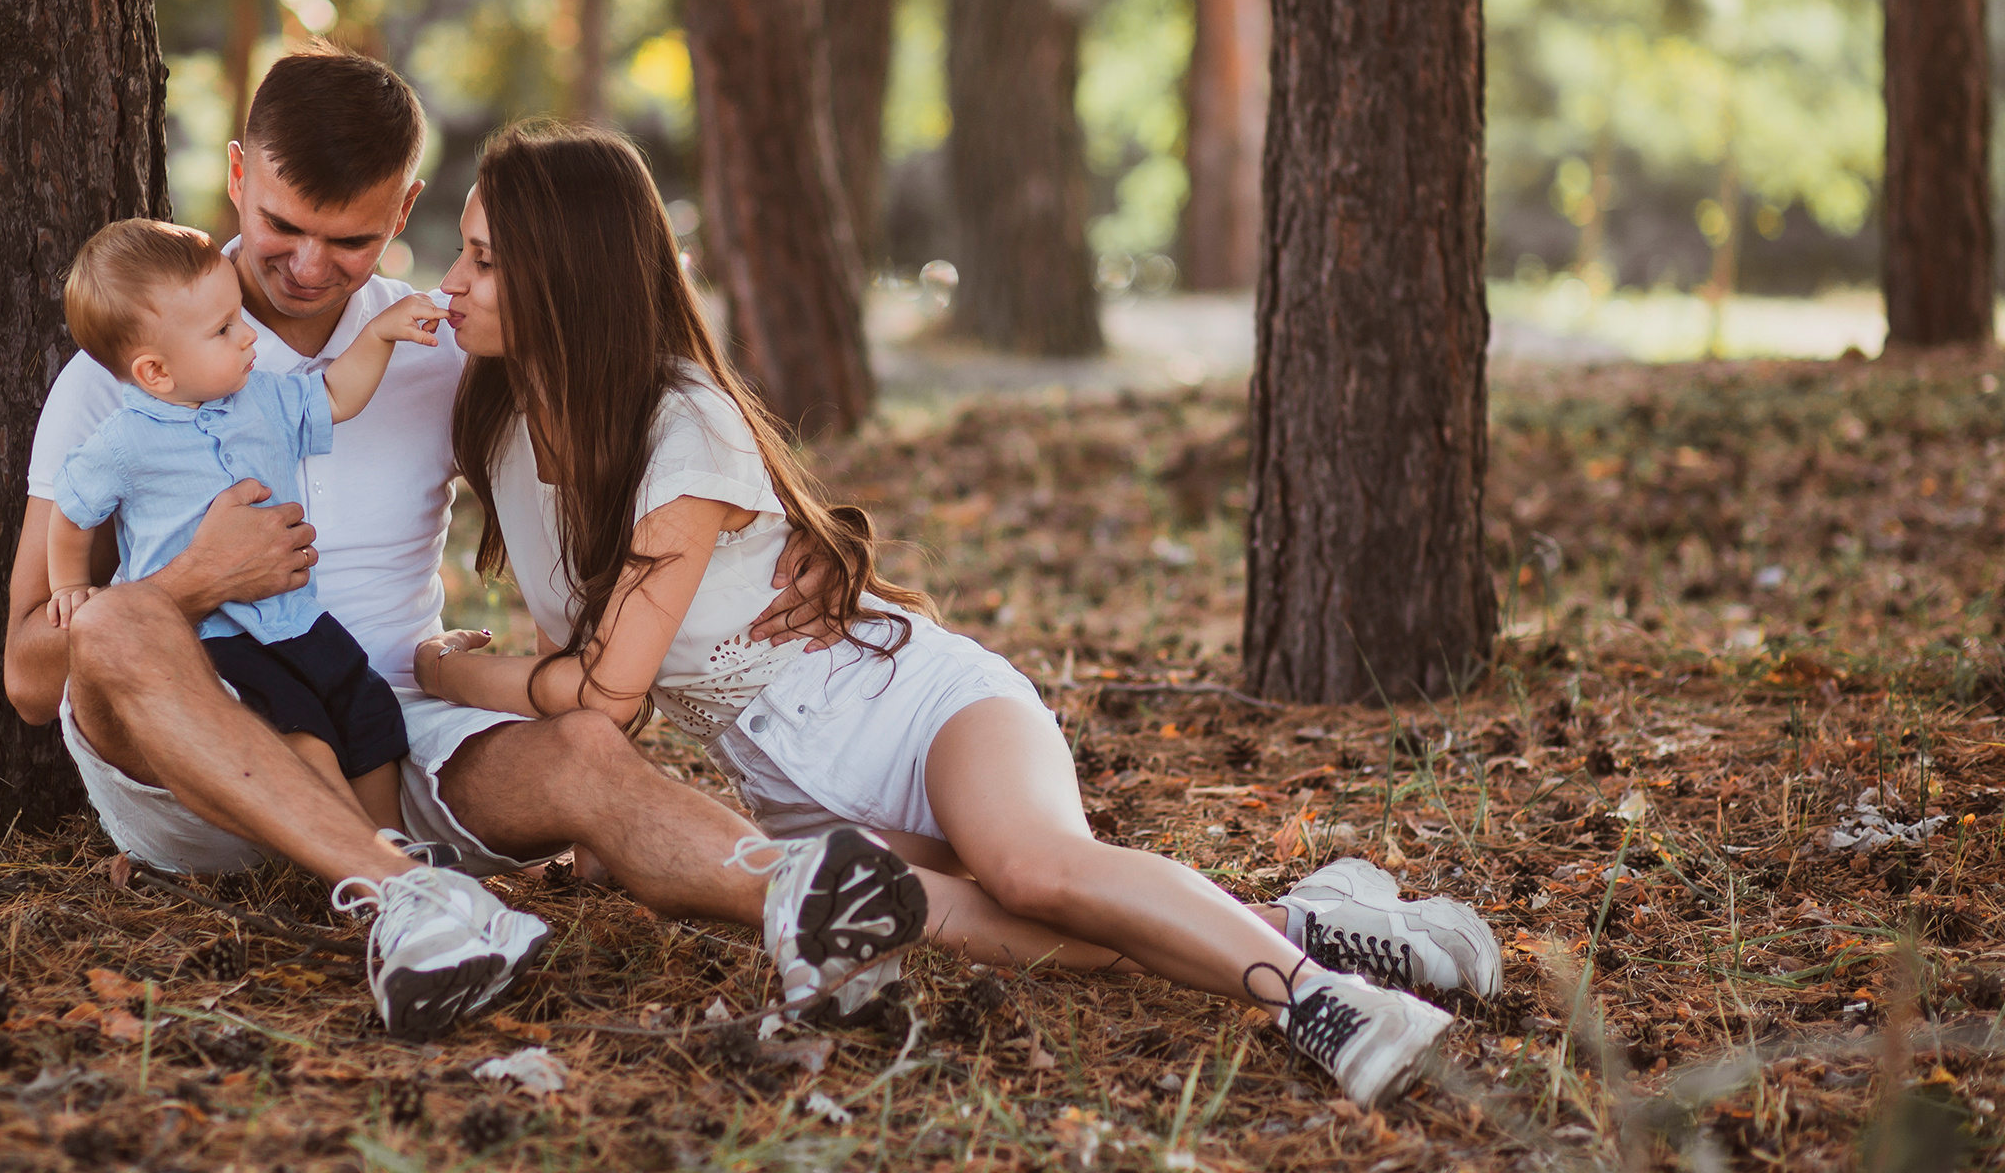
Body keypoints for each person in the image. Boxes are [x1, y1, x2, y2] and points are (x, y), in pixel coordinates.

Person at [412, 121, 1507, 1107]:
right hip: (798, 799)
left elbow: (602, 688)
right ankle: (1319, 923)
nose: (455, 280)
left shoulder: (682, 430)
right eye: (463, 251)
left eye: (488, 260)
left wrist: (449, 670)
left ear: (572, 277)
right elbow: (604, 701)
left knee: (1037, 871)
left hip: (918, 712)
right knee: (1036, 933)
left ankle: (1327, 1001)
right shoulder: (508, 436)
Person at [1, 47, 925, 1041]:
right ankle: (405, 898)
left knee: (578, 747)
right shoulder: (125, 368)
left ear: (403, 211)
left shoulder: (436, 347)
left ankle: (799, 899)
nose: (310, 266)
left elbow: (636, 431)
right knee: (117, 623)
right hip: (193, 762)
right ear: (237, 178)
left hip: (389, 736)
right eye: (280, 226)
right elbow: (28, 669)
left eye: (349, 238)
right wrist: (188, 583)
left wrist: (807, 538)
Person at [46, 218, 447, 832]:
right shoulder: (124, 443)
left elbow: (337, 395)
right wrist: (68, 586)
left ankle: (392, 845)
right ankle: (362, 865)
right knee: (300, 733)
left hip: (297, 617)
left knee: (368, 714)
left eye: (240, 317)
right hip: (216, 641)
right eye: (224, 329)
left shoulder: (262, 397)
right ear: (156, 372)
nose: (246, 337)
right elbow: (71, 514)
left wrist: (381, 335)